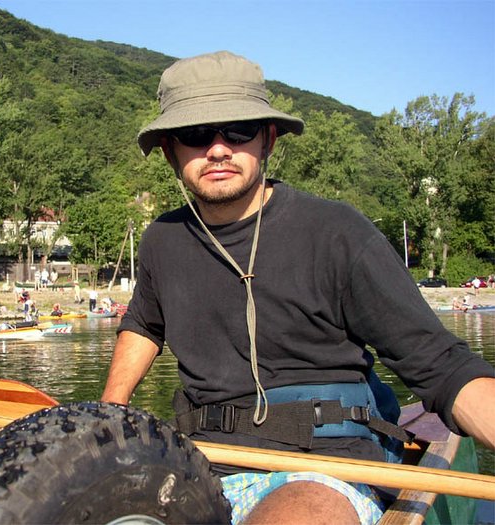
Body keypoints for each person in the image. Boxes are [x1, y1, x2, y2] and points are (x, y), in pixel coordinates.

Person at [100, 51, 495, 525]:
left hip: (324, 467)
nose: (219, 149)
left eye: (238, 130)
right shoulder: (162, 240)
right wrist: (108, 415)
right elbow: (144, 324)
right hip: (199, 465)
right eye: (196, 134)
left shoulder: (337, 232)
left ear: (267, 139)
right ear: (170, 151)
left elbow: (444, 368)